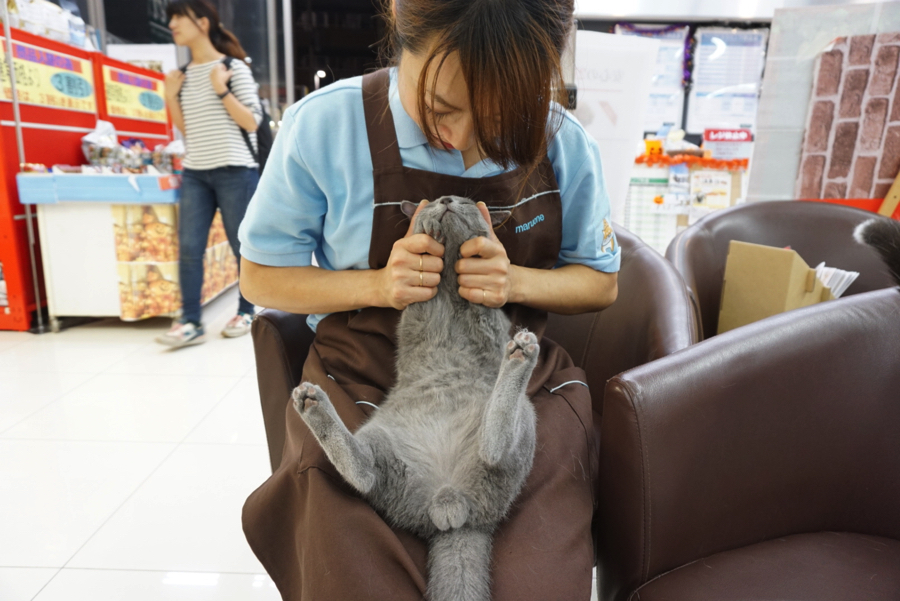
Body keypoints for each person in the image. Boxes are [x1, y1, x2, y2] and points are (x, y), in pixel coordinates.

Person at [238, 0, 620, 598]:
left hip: (508, 386)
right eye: (440, 108)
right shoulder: (325, 126)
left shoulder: (565, 143)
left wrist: (514, 281)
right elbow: (260, 276)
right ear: (400, 19)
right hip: (367, 379)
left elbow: (600, 281)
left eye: (499, 118)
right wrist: (375, 286)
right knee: (356, 574)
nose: (460, 140)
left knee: (532, 578)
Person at [157, 0, 261, 348]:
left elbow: (252, 121)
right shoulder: (181, 76)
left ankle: (246, 311)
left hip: (235, 170)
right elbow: (190, 131)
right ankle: (190, 322)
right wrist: (171, 97)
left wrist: (221, 88)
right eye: (170, 18)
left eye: (178, 17)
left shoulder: (232, 67)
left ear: (202, 23)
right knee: (189, 248)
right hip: (196, 172)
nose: (172, 24)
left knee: (241, 246)